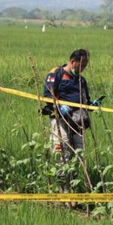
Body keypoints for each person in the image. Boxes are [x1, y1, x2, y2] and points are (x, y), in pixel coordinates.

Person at [42, 49, 94, 192]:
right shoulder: (56, 74)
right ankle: (63, 191)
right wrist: (59, 106)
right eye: (81, 65)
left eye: (85, 66)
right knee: (62, 155)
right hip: (60, 122)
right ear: (73, 62)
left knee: (79, 155)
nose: (83, 69)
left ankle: (74, 189)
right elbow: (47, 97)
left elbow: (86, 102)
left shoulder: (81, 80)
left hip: (78, 123)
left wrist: (92, 105)